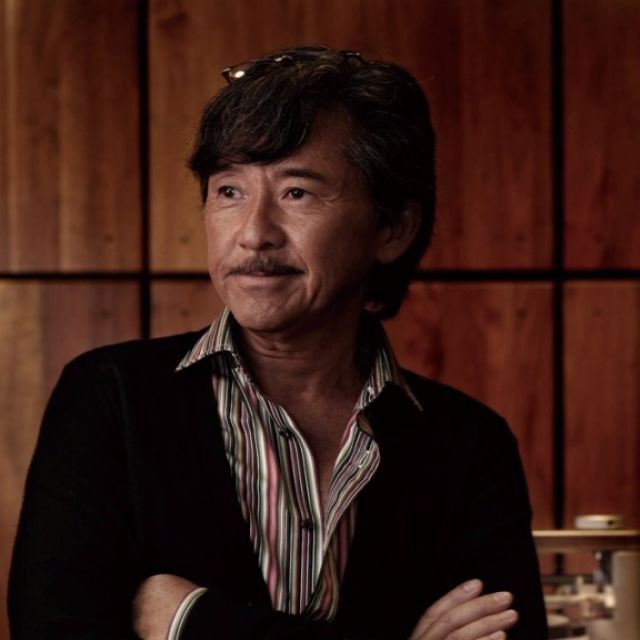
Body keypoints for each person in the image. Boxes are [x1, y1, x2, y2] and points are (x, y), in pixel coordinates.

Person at [8, 46, 547, 639]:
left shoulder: (468, 443)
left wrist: (192, 619)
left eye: (297, 193)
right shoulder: (112, 399)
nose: (253, 234)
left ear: (393, 228)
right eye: (229, 191)